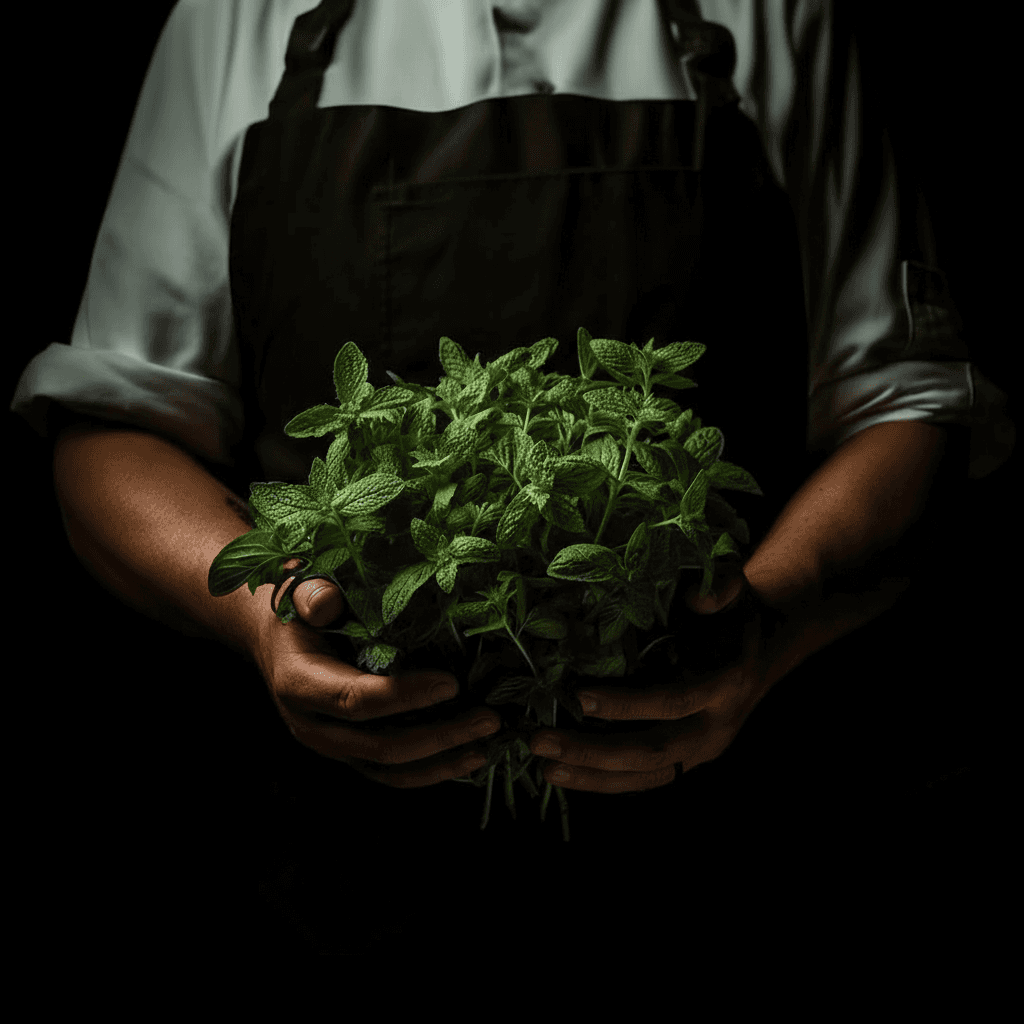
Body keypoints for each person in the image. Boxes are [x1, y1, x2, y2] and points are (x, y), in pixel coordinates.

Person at [11, 0, 1014, 952]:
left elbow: (904, 406)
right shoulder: (240, 18)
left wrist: (773, 615)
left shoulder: (770, 14)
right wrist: (268, 617)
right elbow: (113, 431)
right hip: (333, 870)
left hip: (744, 847)